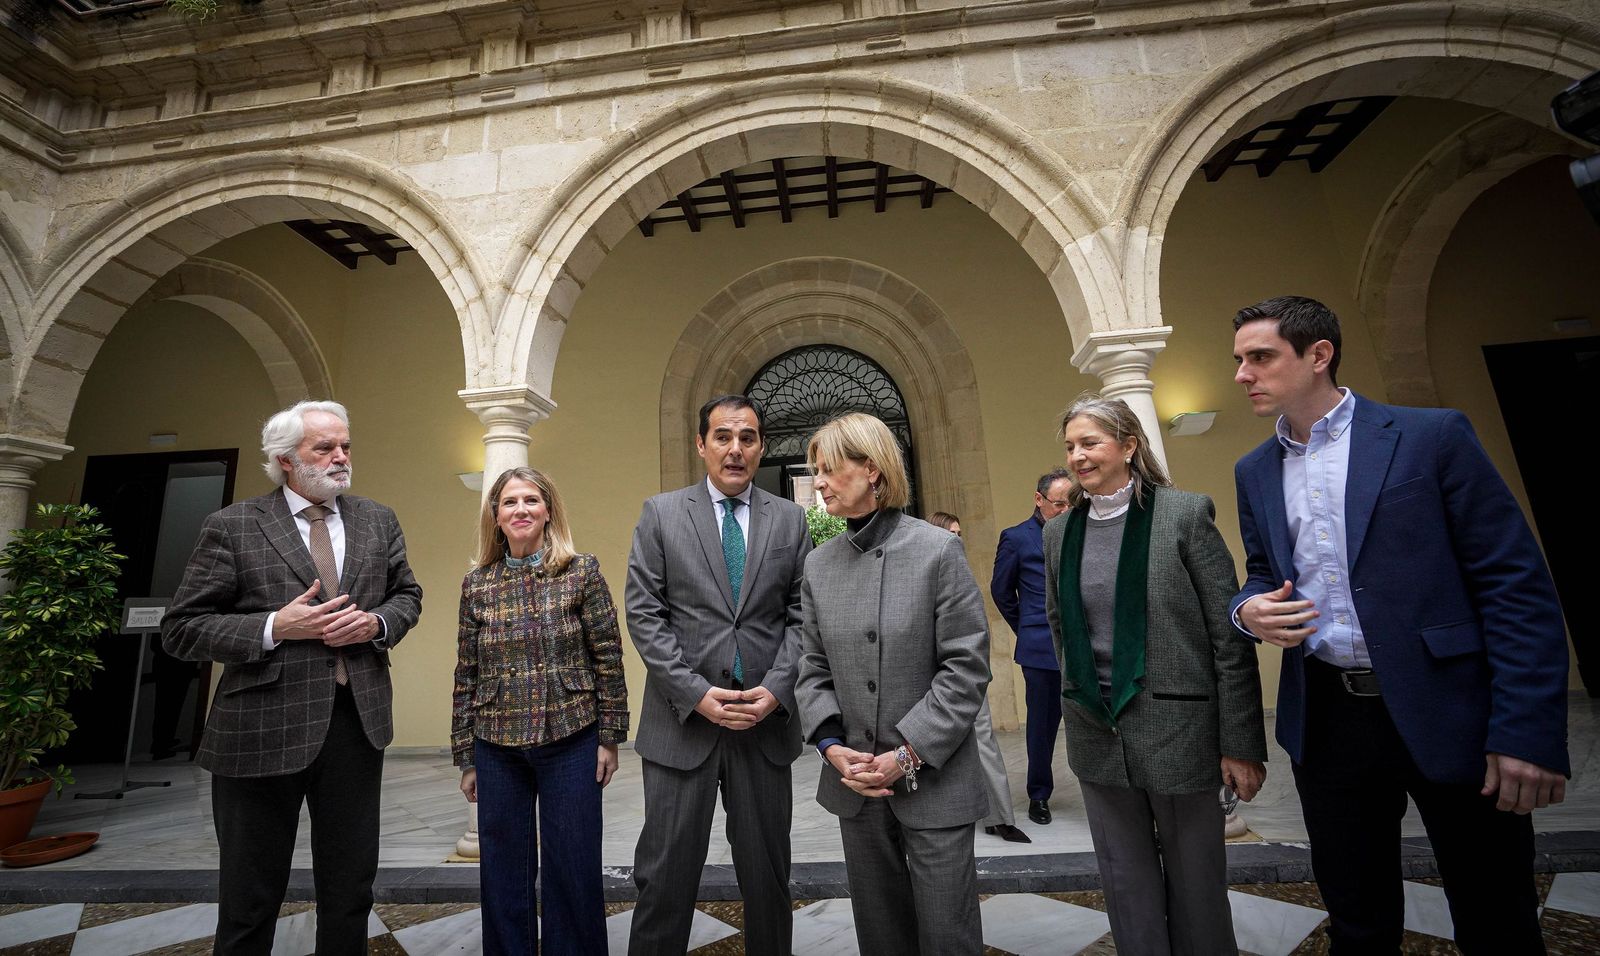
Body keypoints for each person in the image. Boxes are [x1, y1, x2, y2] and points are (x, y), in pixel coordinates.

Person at [1229, 295, 1568, 953]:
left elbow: (1514, 586)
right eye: (1240, 360)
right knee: (1357, 918)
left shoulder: (1430, 436)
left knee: (1497, 915)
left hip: (1450, 706)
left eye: (1261, 357)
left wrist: (1527, 730)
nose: (1243, 374)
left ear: (1319, 354)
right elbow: (1261, 573)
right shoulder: (1255, 470)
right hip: (1329, 719)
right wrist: (1248, 610)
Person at [162, 400, 423, 955]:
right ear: (286, 459)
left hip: (356, 725)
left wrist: (376, 624)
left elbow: (407, 595)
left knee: (350, 888)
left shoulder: (378, 519)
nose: (340, 457)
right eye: (324, 448)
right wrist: (274, 626)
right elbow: (182, 629)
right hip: (259, 729)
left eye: (345, 446)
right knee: (249, 894)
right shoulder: (232, 525)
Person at [1043, 393, 1266, 954]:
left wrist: (1240, 743)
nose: (1077, 456)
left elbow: (1228, 637)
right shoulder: (1058, 533)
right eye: (1070, 446)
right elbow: (1060, 628)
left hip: (1179, 731)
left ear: (1128, 446)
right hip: (1097, 732)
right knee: (1126, 886)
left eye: (1090, 443)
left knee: (1197, 886)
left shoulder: (1183, 516)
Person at [625, 394, 813, 956]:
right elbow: (644, 613)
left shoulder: (790, 519)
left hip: (763, 726)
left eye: (748, 438)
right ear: (701, 445)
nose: (736, 449)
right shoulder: (662, 514)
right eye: (723, 437)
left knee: (768, 879)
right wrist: (696, 693)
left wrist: (776, 691)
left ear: (761, 447)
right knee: (664, 879)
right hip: (682, 725)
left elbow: (804, 616)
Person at [797, 412, 991, 955]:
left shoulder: (937, 551)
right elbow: (812, 666)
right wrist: (832, 747)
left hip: (935, 781)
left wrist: (906, 756)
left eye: (829, 469)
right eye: (816, 471)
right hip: (856, 785)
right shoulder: (818, 566)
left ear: (873, 470)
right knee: (881, 937)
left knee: (948, 936)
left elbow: (966, 666)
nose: (819, 483)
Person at [453, 466, 628, 955]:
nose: (521, 510)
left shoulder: (581, 571)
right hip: (496, 745)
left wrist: (609, 737)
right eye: (510, 502)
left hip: (571, 738)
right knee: (502, 869)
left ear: (549, 511)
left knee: (572, 863)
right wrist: (466, 756)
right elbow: (466, 672)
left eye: (531, 500)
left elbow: (608, 657)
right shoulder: (477, 584)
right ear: (496, 516)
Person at [928, 511, 1029, 844]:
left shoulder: (963, 571)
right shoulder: (921, 573)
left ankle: (1001, 818)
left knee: (983, 739)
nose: (958, 540)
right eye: (951, 534)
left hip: (966, 673)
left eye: (960, 534)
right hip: (928, 676)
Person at [990, 468, 1073, 825]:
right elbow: (1001, 591)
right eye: (1059, 504)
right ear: (1039, 500)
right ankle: (1039, 795)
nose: (1066, 510)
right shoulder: (1016, 538)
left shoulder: (1082, 530)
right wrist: (1026, 628)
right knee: (1041, 725)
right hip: (1040, 649)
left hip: (1086, 647)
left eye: (1071, 503)